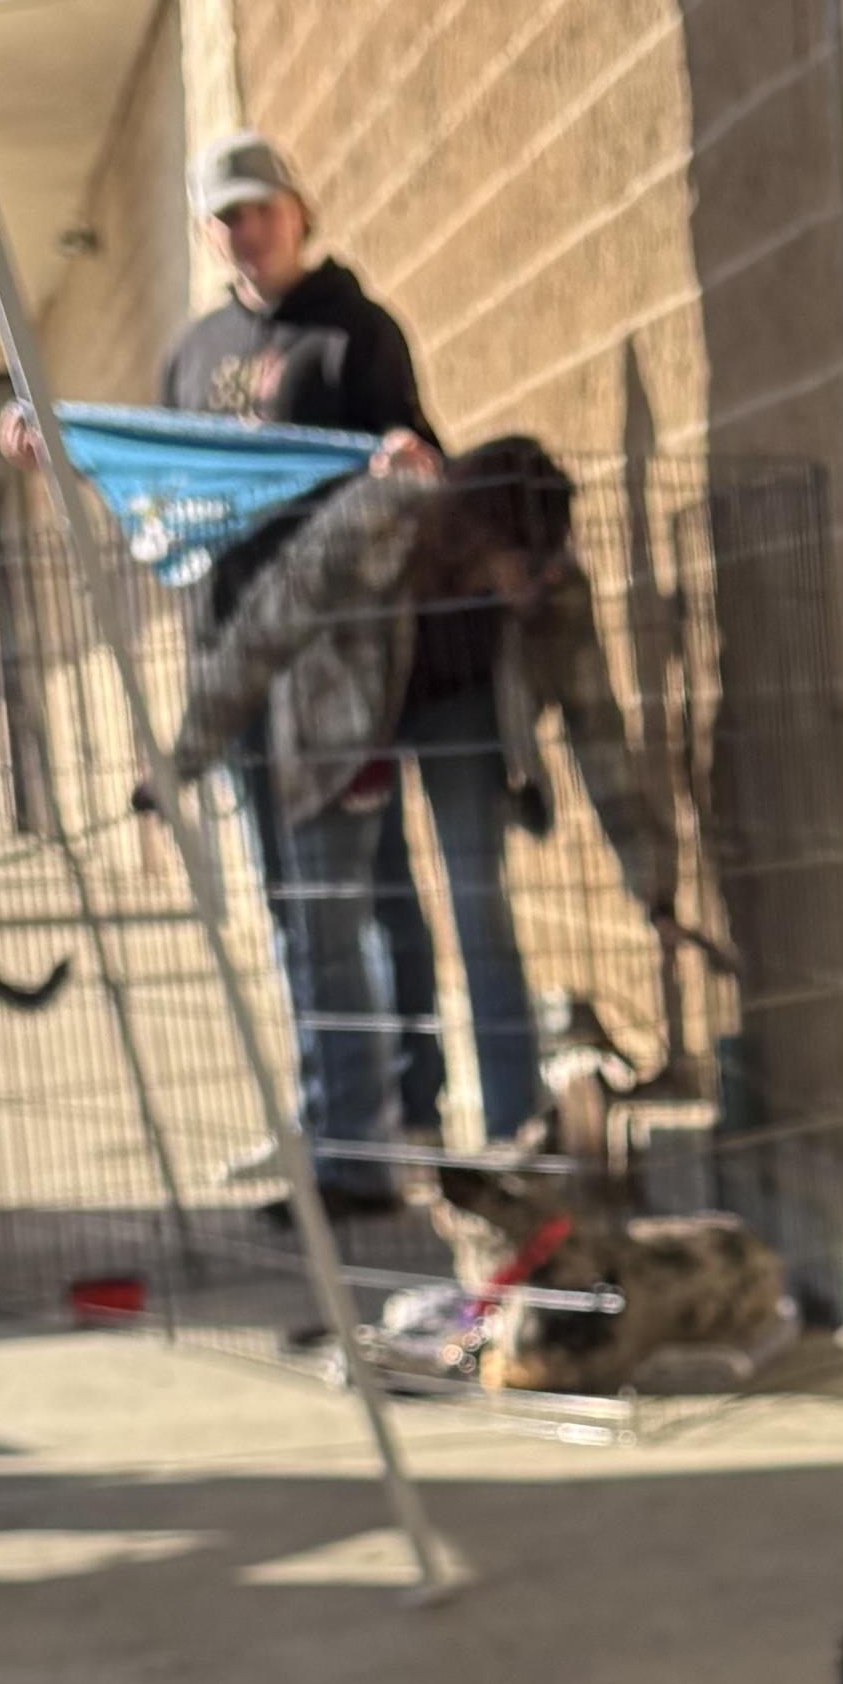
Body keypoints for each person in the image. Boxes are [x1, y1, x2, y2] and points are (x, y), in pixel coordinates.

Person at [180, 437, 656, 1189]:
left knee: (480, 908)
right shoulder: (373, 524)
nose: (537, 584)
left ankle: (512, 1150)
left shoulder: (551, 594)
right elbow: (259, 635)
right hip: (339, 721)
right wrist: (182, 757)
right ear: (477, 532)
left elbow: (601, 736)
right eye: (526, 562)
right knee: (330, 924)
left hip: (461, 712)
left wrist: (652, 888)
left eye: (549, 563)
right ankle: (355, 1162)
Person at [156, 128, 427, 441]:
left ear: (301, 211)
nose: (251, 231)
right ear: (205, 233)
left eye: (264, 208)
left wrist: (403, 450)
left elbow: (411, 459)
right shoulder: (188, 355)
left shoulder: (359, 330)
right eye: (230, 217)